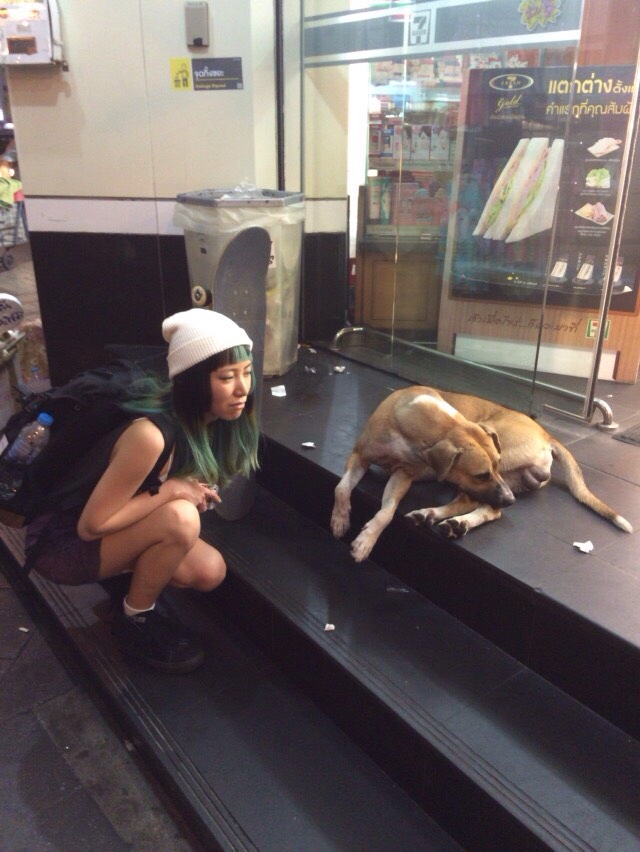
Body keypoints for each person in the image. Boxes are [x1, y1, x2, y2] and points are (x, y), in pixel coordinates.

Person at [24, 309, 260, 674]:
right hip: (59, 543)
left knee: (208, 570)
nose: (242, 388)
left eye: (246, 372)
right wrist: (173, 490)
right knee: (180, 519)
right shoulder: (150, 436)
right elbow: (92, 526)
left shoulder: (214, 422)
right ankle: (135, 620)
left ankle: (129, 590)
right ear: (193, 381)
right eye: (226, 377)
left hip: (105, 525)